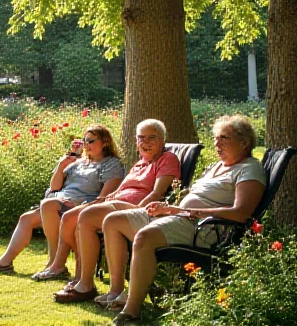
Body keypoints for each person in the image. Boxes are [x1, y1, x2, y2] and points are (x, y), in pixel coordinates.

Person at [103, 115, 266, 325]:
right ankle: (120, 290)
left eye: (224, 138)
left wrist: (189, 212)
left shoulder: (249, 169)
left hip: (203, 228)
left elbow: (241, 212)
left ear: (244, 142)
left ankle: (131, 310)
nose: (217, 143)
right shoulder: (218, 166)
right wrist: (168, 208)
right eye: (216, 138)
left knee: (145, 237)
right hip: (181, 216)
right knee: (113, 221)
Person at [45, 120, 180, 303]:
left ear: (162, 140)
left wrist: (137, 209)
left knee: (85, 217)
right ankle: (79, 277)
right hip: (115, 203)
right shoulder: (140, 163)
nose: (145, 142)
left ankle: (85, 284)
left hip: (134, 208)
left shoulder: (167, 159)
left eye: (151, 138)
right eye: (141, 138)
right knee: (70, 217)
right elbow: (120, 191)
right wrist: (102, 200)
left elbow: (158, 192)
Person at [0, 125, 125, 276]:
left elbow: (105, 197)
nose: (86, 145)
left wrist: (79, 204)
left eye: (91, 141)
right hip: (58, 202)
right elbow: (54, 187)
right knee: (26, 219)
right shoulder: (79, 162)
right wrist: (62, 165)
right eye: (84, 141)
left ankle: (54, 263)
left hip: (80, 207)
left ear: (105, 142)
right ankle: (4, 263)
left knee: (48, 204)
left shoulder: (112, 164)